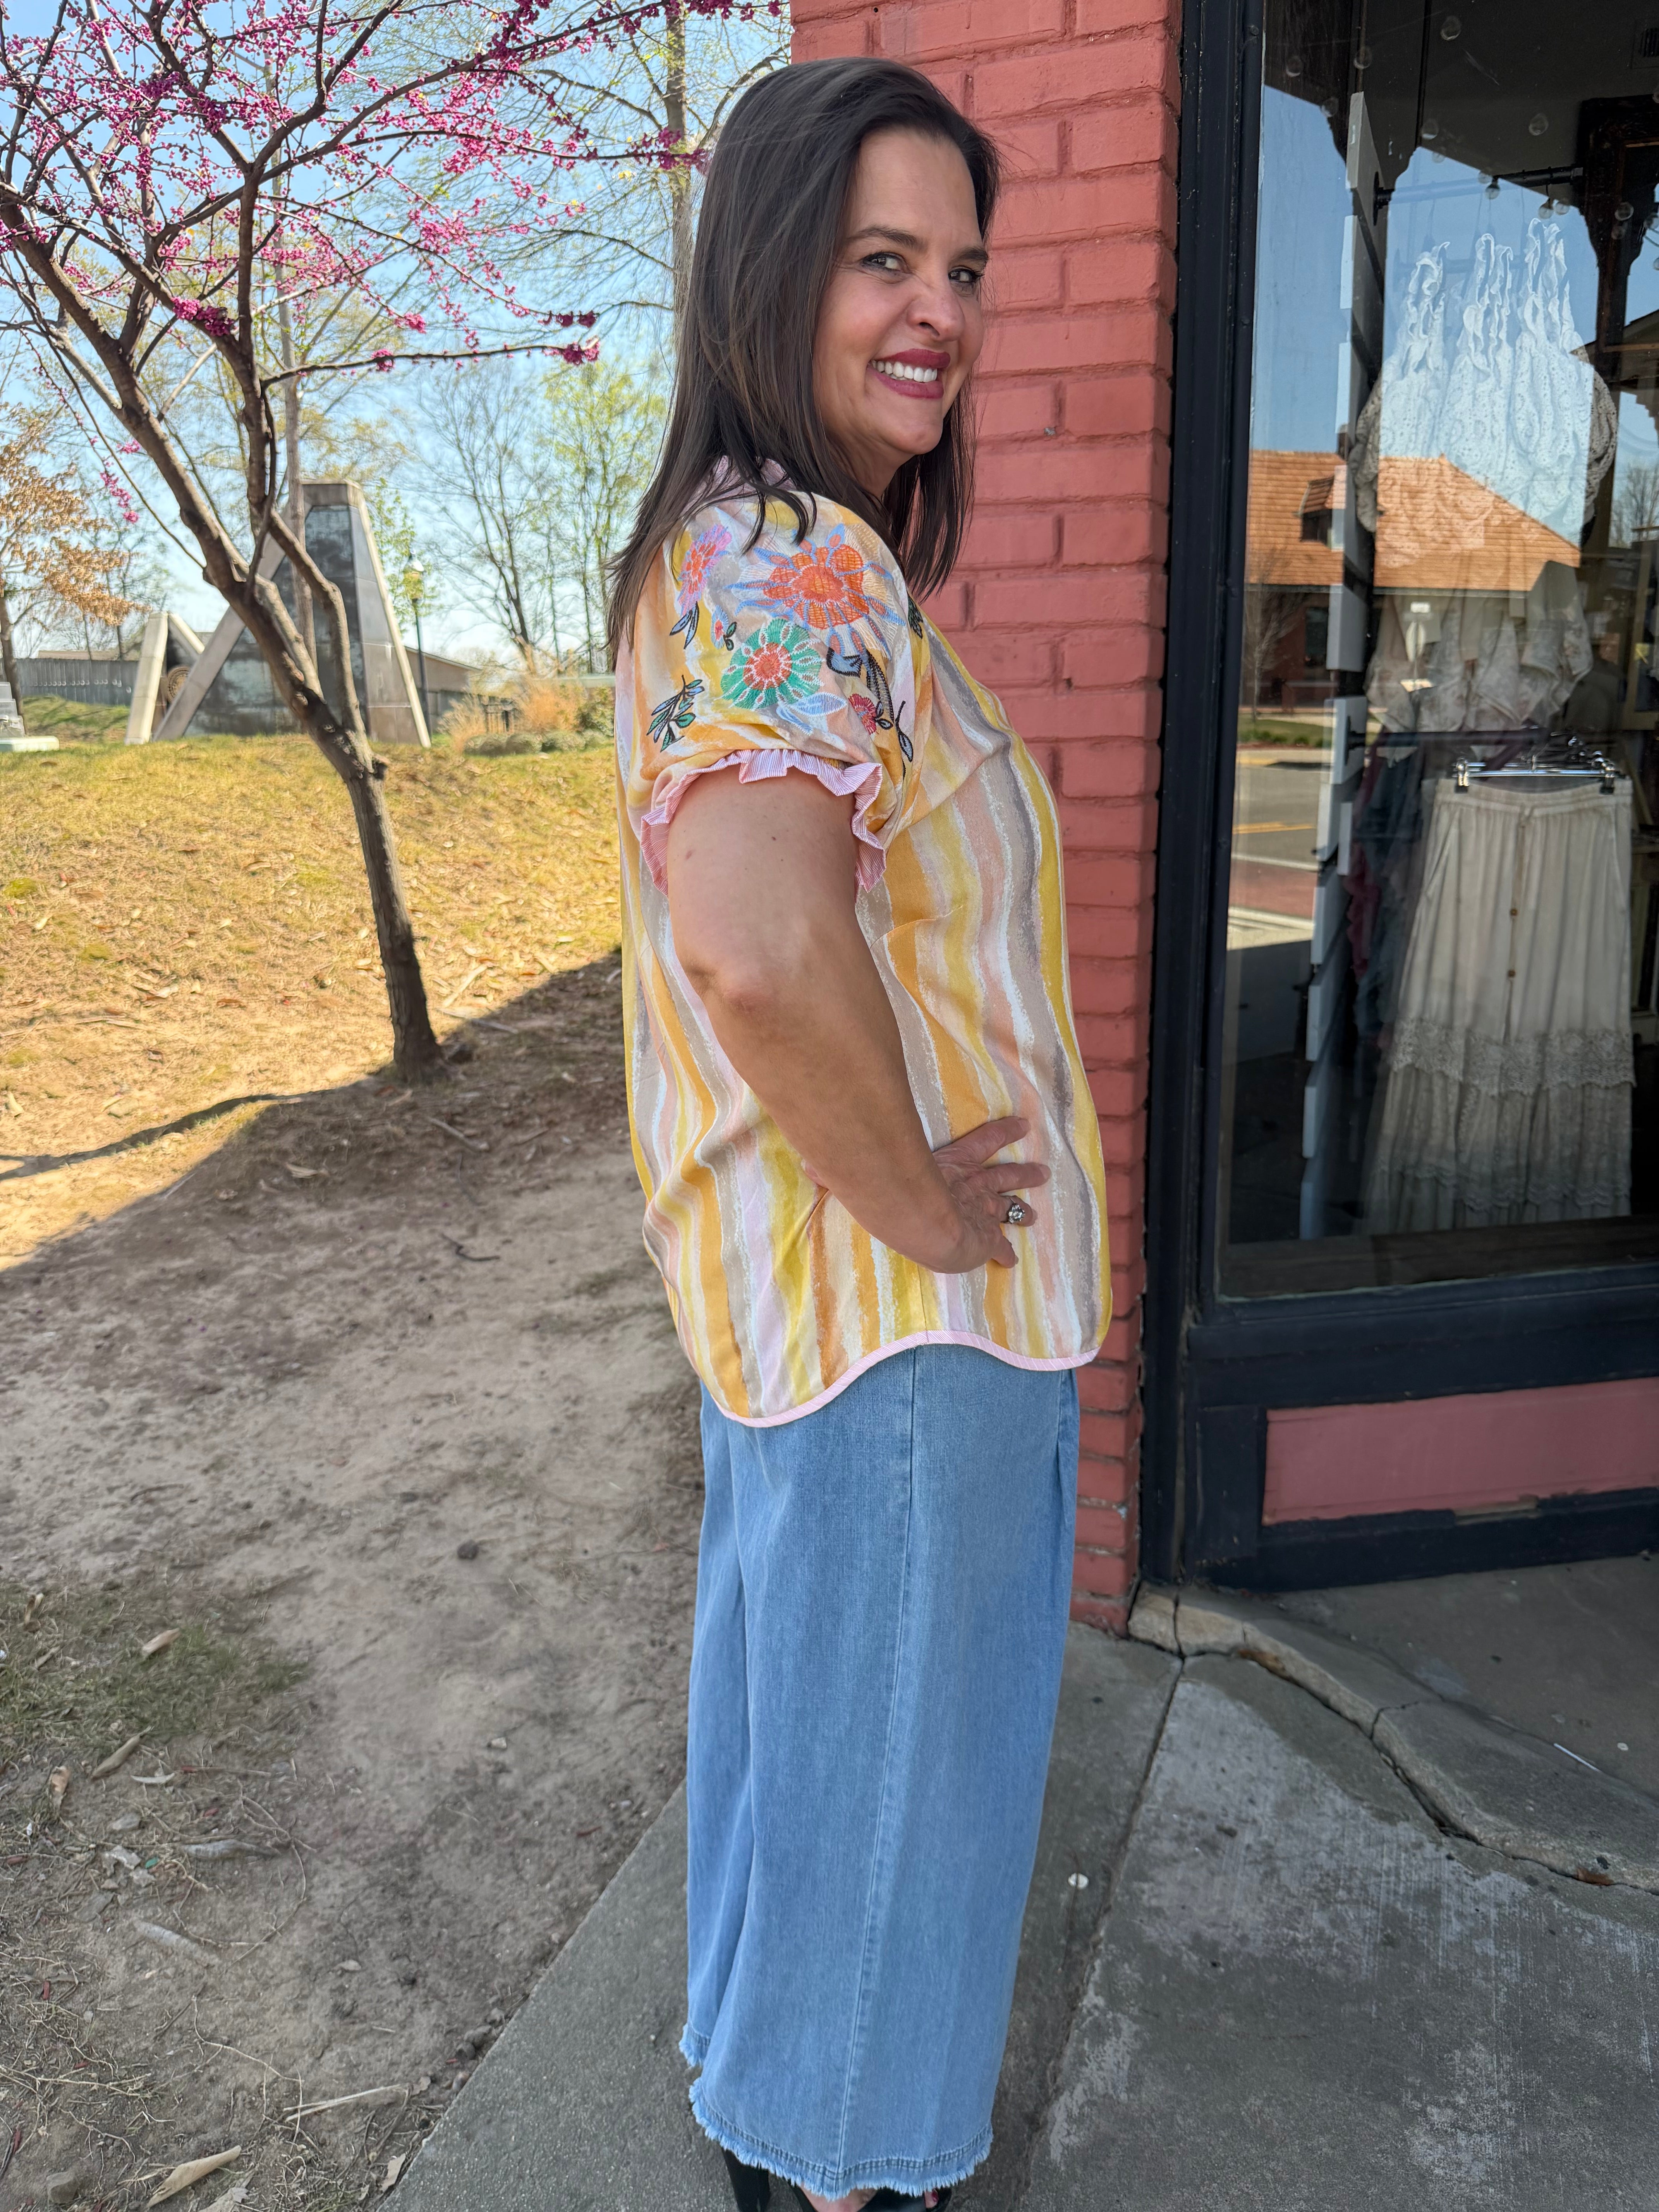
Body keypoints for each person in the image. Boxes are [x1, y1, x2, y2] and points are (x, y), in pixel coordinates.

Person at [606, 55, 1111, 2212]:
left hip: (823, 1337)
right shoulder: (795, 559)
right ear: (773, 271)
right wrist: (920, 1199)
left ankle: (778, 2135)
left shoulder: (748, 553)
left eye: (967, 267)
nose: (942, 312)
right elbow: (751, 946)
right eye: (883, 257)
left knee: (815, 1821)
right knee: (888, 1880)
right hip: (904, 1343)